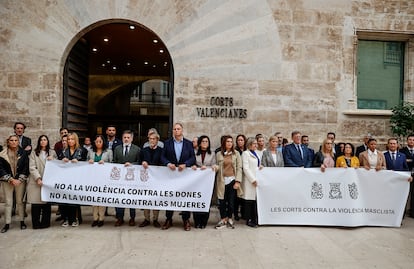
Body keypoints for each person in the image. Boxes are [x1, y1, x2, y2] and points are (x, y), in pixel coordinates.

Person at [160, 123, 196, 231]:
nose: (176, 131)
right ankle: (168, 219)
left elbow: (192, 158)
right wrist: (167, 163)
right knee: (170, 196)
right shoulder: (167, 143)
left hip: (184, 176)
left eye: (178, 129)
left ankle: (186, 220)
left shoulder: (189, 143)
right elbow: (162, 156)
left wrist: (186, 164)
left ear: (182, 130)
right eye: (174, 129)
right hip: (171, 175)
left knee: (185, 197)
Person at [0, 135, 29, 233]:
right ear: (8, 142)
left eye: (15, 140)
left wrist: (19, 179)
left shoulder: (23, 153)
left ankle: (22, 221)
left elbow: (26, 167)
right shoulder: (2, 153)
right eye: (11, 140)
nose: (13, 142)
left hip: (19, 181)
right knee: (8, 202)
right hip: (7, 181)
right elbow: (0, 168)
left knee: (20, 201)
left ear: (18, 142)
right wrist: (10, 179)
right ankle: (7, 223)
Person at [28, 135, 57, 229]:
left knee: (46, 204)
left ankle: (45, 223)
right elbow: (32, 167)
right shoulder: (34, 153)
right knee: (36, 204)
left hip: (48, 181)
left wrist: (53, 159)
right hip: (37, 181)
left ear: (47, 141)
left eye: (45, 140)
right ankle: (36, 224)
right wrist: (38, 178)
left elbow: (58, 165)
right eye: (41, 140)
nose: (43, 141)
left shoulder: (52, 152)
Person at [113, 130, 141, 227]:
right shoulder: (117, 149)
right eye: (124, 137)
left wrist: (132, 165)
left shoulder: (137, 149)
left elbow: (139, 162)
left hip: (131, 178)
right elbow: (113, 161)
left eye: (128, 137)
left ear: (132, 139)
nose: (126, 139)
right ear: (122, 138)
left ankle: (132, 218)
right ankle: (119, 218)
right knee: (119, 198)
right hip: (119, 179)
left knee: (131, 198)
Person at [215, 135, 242, 229]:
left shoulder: (236, 154)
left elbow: (239, 168)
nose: (230, 143)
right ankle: (223, 218)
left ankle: (230, 218)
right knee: (222, 201)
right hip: (222, 181)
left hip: (232, 180)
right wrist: (215, 167)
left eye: (231, 141)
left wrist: (238, 181)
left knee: (231, 202)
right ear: (224, 143)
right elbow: (217, 166)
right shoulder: (219, 154)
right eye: (227, 141)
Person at [191, 135, 217, 229]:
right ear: (199, 143)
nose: (205, 143)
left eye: (206, 141)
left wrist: (210, 167)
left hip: (207, 183)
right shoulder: (194, 152)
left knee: (206, 202)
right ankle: (196, 222)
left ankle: (203, 222)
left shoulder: (212, 153)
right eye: (203, 141)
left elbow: (215, 166)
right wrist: (193, 166)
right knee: (196, 201)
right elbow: (192, 163)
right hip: (197, 182)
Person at [87, 135, 113, 227]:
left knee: (101, 198)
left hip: (104, 179)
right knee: (94, 199)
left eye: (100, 141)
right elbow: (85, 163)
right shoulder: (90, 151)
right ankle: (95, 218)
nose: (98, 143)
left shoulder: (108, 151)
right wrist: (89, 161)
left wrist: (105, 164)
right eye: (97, 141)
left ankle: (101, 218)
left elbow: (112, 163)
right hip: (93, 178)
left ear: (103, 142)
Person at [139, 131, 163, 228]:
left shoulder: (161, 150)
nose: (152, 141)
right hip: (146, 179)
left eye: (154, 139)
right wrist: (143, 162)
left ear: (157, 140)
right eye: (150, 139)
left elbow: (163, 161)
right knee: (146, 198)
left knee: (156, 198)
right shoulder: (144, 150)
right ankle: (146, 219)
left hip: (157, 179)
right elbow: (139, 160)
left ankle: (155, 219)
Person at [61, 132, 85, 227]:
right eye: (68, 139)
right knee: (64, 200)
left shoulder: (81, 151)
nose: (70, 141)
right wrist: (62, 161)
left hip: (76, 179)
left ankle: (75, 218)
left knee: (74, 200)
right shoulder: (63, 151)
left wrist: (79, 161)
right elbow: (57, 162)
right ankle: (65, 219)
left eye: (72, 139)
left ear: (76, 140)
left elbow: (86, 162)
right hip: (65, 179)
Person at [241, 137, 263, 228]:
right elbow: (246, 168)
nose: (256, 145)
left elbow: (256, 164)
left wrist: (260, 166)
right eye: (254, 144)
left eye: (256, 144)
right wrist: (252, 179)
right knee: (249, 200)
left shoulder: (256, 153)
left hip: (256, 180)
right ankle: (249, 220)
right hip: (249, 181)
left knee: (254, 201)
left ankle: (255, 219)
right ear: (249, 144)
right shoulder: (245, 153)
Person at [400, 134, 414, 217]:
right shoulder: (402, 151)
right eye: (410, 139)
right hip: (406, 175)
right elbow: (402, 162)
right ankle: (402, 213)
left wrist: (409, 161)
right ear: (407, 140)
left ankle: (412, 213)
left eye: (413, 140)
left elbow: (409, 161)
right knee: (404, 194)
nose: (412, 141)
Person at [234, 134, 247, 220]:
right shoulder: (235, 151)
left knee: (244, 195)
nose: (240, 141)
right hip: (237, 175)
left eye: (242, 140)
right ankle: (235, 213)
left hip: (245, 176)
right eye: (238, 140)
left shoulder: (247, 151)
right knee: (236, 196)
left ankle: (243, 212)